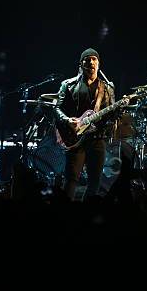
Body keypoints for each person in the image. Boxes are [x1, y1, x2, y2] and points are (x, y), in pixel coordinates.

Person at [55, 48, 119, 201]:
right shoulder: (68, 85)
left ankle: (86, 215)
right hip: (75, 138)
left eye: (94, 59)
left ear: (98, 63)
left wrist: (116, 111)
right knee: (71, 179)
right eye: (87, 59)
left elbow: (111, 115)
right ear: (81, 64)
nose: (91, 62)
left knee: (95, 181)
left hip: (97, 138)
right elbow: (57, 108)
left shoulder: (107, 88)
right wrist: (67, 120)